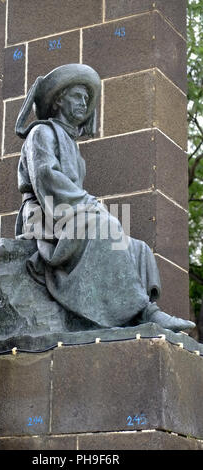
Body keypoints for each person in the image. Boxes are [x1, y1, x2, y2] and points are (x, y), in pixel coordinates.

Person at [14, 63, 194, 333]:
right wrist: (88, 204)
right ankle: (143, 312)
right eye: (78, 96)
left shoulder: (71, 144)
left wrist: (86, 206)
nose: (84, 103)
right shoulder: (42, 133)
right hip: (43, 215)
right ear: (59, 100)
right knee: (105, 225)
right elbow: (46, 180)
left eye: (87, 99)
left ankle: (137, 312)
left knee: (137, 247)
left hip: (68, 213)